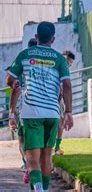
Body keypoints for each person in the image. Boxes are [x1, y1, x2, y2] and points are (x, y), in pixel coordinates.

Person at [6, 21, 73, 191]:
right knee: (46, 156)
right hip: (52, 113)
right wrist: (69, 112)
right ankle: (43, 188)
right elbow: (67, 85)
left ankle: (39, 189)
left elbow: (9, 79)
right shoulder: (59, 58)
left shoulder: (25, 54)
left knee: (32, 158)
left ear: (36, 37)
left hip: (31, 113)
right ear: (53, 39)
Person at [8, 37, 37, 184]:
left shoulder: (23, 63)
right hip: (44, 108)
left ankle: (27, 162)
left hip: (24, 107)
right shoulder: (44, 64)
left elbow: (14, 88)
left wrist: (11, 113)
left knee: (22, 140)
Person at [54, 50, 75, 155]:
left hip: (59, 100)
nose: (69, 65)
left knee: (61, 121)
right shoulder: (55, 66)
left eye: (70, 63)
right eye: (68, 62)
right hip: (51, 98)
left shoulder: (65, 70)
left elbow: (66, 86)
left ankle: (57, 147)